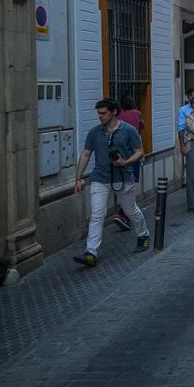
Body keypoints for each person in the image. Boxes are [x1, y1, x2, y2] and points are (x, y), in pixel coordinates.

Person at [72, 98, 150, 266]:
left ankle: (143, 234)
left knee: (130, 210)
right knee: (97, 214)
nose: (100, 116)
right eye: (98, 113)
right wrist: (78, 178)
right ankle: (91, 252)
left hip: (123, 177)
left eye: (103, 113)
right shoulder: (94, 132)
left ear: (114, 112)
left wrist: (125, 162)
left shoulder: (128, 130)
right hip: (100, 178)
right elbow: (86, 154)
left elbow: (139, 152)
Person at [113, 96, 145, 231]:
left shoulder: (118, 115)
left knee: (124, 184)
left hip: (120, 153)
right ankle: (123, 214)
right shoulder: (137, 113)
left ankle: (124, 214)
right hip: (133, 152)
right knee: (131, 183)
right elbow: (142, 126)